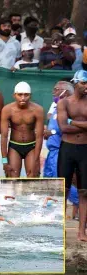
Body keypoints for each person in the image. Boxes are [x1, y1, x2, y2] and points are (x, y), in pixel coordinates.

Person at [57, 70, 87, 242]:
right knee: (63, 189)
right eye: (83, 83)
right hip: (67, 148)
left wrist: (72, 121)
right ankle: (59, 229)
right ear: (76, 83)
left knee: (84, 192)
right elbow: (63, 128)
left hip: (85, 149)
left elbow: (69, 124)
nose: (86, 87)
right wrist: (83, 125)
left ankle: (81, 231)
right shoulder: (64, 103)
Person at [1, 82, 44, 178]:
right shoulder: (7, 110)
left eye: (26, 95)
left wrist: (37, 160)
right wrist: (4, 161)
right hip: (14, 146)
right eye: (20, 95)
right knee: (12, 177)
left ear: (30, 95)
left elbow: (39, 136)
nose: (23, 98)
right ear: (14, 95)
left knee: (33, 176)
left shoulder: (38, 110)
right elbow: (4, 136)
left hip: (31, 146)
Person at [44, 81, 74, 176]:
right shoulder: (56, 107)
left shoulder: (71, 108)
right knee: (49, 183)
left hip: (60, 152)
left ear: (65, 92)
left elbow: (71, 128)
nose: (53, 92)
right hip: (51, 153)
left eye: (56, 90)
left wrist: (52, 132)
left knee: (60, 184)